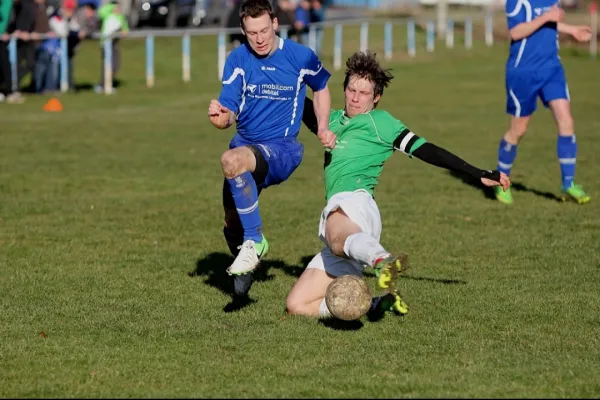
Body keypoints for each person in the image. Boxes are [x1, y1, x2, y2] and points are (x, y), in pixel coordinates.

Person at [285, 51, 510, 320]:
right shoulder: (329, 121)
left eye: (364, 93)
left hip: (355, 204)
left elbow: (426, 150)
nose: (355, 98)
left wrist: (475, 173)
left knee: (336, 238)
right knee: (297, 305)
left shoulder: (381, 124)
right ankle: (377, 304)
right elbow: (295, 101)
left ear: (376, 97)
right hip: (353, 227)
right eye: (351, 89)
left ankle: (382, 261)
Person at [207, 0, 335, 287]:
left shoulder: (300, 56)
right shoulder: (237, 60)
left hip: (282, 148)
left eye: (264, 30)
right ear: (243, 30)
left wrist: (323, 126)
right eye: (252, 33)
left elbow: (322, 86)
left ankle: (255, 241)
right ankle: (246, 265)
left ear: (275, 24)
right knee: (231, 221)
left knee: (231, 161)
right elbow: (227, 113)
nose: (260, 38)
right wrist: (219, 116)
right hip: (245, 143)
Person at [494, 0, 592, 205]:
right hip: (523, 72)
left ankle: (568, 183)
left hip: (551, 68)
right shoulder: (517, 2)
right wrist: (547, 17)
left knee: (566, 120)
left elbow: (549, 24)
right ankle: (500, 181)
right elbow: (516, 32)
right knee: (518, 130)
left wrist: (571, 30)